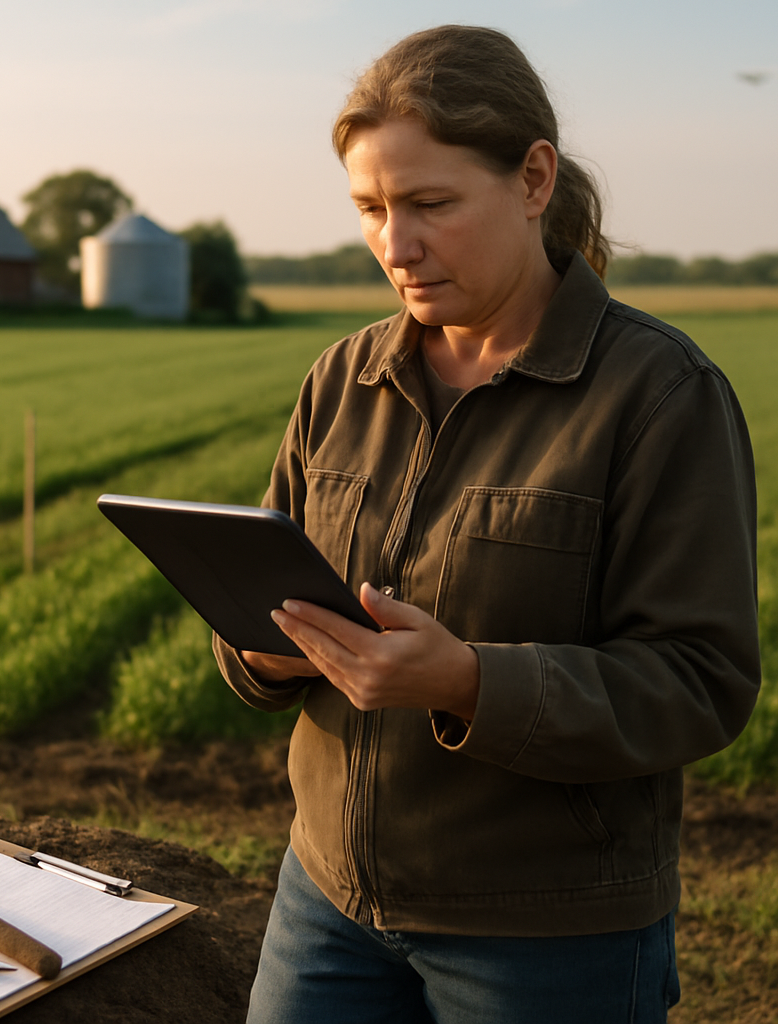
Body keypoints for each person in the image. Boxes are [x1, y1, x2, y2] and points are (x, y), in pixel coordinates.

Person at [212, 24, 761, 1024]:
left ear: (533, 178)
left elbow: (700, 683)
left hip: (547, 937)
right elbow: (255, 603)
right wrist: (268, 649)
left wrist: (467, 681)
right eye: (371, 208)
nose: (394, 244)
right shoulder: (342, 378)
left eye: (430, 204)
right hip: (327, 899)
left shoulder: (657, 394)